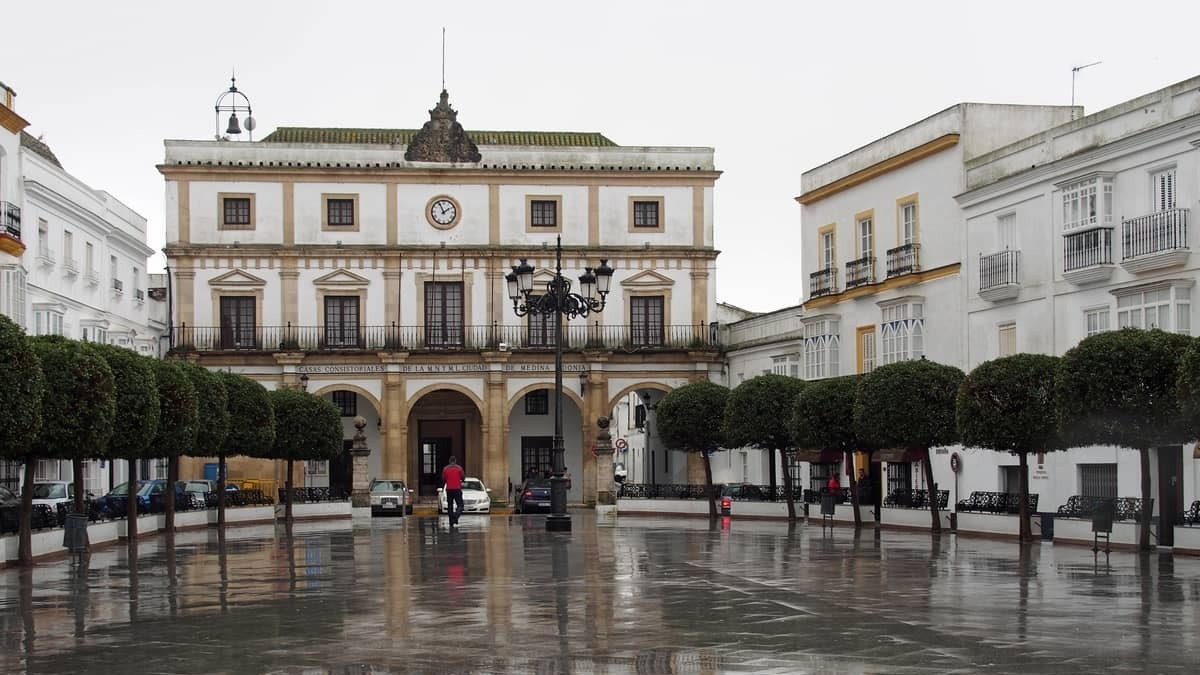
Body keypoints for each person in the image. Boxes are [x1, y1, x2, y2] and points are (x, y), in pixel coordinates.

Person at [442, 456, 465, 527]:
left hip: (449, 489)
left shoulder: (445, 469)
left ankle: (451, 521)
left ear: (449, 461)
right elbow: (463, 477)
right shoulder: (459, 468)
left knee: (450, 505)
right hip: (457, 488)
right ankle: (455, 516)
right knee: (460, 505)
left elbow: (443, 478)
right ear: (455, 461)